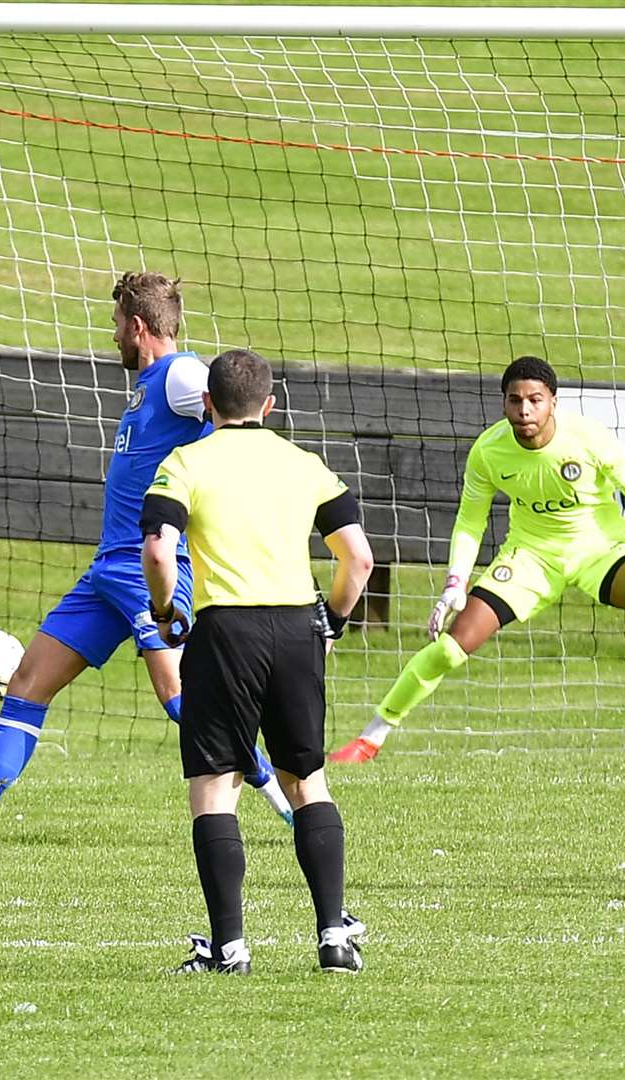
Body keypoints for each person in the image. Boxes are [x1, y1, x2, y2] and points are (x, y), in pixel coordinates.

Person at [0, 271, 293, 848]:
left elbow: (233, 410)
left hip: (146, 566)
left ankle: (287, 802)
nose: (113, 340)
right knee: (28, 682)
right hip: (108, 571)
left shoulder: (180, 374)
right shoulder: (149, 385)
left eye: (116, 328)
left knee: (183, 699)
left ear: (138, 326)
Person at [331, 355, 625, 765]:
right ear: (504, 404)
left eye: (535, 400)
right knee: (449, 649)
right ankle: (370, 739)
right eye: (515, 400)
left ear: (553, 402)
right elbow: (469, 523)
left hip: (600, 551)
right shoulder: (489, 451)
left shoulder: (589, 437)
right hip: (530, 559)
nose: (525, 410)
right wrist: (455, 584)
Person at [140, 348, 375, 975]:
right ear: (269, 406)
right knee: (308, 781)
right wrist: (334, 620)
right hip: (297, 628)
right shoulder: (304, 464)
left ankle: (229, 948)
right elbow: (359, 559)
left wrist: (166, 615)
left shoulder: (185, 461)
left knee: (215, 789)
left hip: (225, 632)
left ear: (208, 404)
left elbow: (160, 554)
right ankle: (332, 935)